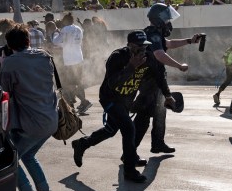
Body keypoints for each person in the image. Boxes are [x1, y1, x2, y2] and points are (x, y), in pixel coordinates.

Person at [70, 30, 176, 183]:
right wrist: (130, 67)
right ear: (129, 45)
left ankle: (82, 143)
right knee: (128, 128)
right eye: (138, 47)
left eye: (144, 46)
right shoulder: (118, 57)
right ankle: (130, 169)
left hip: (127, 100)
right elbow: (112, 83)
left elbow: (159, 75)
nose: (142, 50)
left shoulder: (148, 57)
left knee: (111, 130)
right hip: (110, 98)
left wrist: (168, 95)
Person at [0, 24, 59, 191]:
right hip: (51, 119)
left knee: (11, 158)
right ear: (28, 40)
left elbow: (3, 93)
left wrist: (3, 62)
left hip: (31, 124)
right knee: (28, 155)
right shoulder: (44, 56)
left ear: (9, 44)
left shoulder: (11, 63)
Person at [134, 3, 202, 154]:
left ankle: (157, 143)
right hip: (150, 81)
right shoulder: (153, 34)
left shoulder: (153, 33)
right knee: (143, 117)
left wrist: (189, 40)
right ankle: (130, 152)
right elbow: (160, 54)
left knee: (159, 111)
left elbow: (168, 44)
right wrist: (179, 65)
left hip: (152, 79)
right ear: (158, 19)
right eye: (166, 18)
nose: (168, 21)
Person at [52, 12, 92, 114]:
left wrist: (56, 32)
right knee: (78, 82)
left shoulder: (65, 29)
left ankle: (78, 103)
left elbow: (56, 41)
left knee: (67, 84)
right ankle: (82, 102)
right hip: (79, 58)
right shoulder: (78, 29)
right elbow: (71, 43)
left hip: (69, 60)